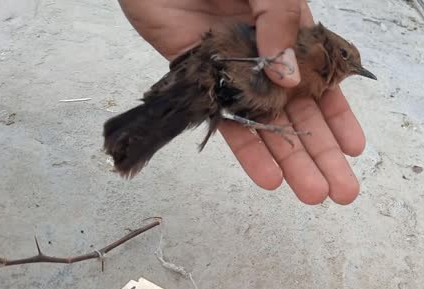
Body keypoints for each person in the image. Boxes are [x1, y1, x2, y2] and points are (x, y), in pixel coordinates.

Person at [118, 0, 366, 205]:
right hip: (221, 77)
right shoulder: (309, 50)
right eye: (345, 56)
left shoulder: (306, 72)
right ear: (328, 46)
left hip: (221, 83)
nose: (350, 67)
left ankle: (136, 137)